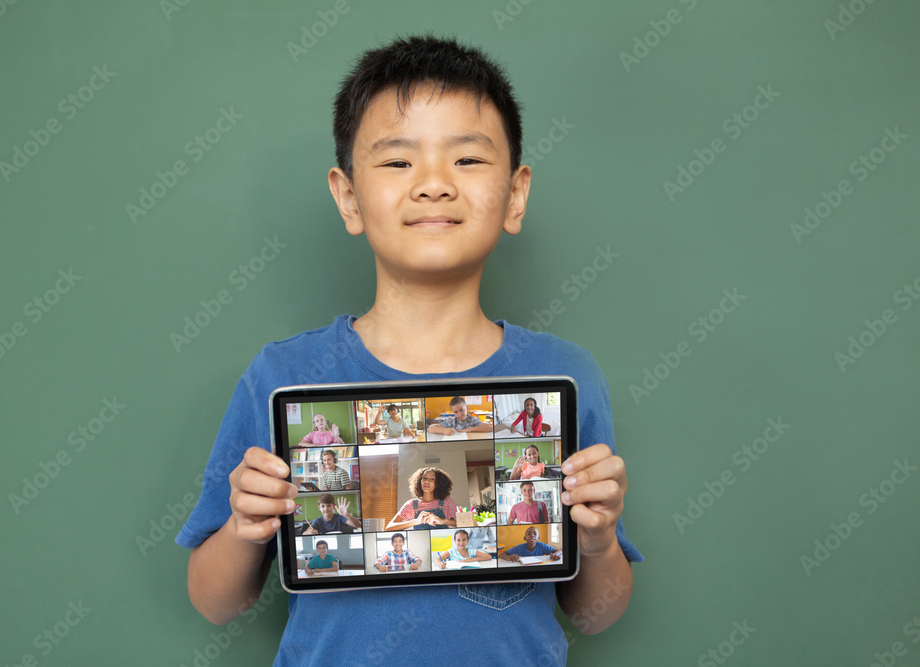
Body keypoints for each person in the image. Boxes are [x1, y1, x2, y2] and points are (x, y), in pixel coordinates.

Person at [177, 34, 643, 665]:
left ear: (515, 195)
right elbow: (215, 604)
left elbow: (599, 612)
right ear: (348, 197)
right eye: (398, 162)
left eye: (468, 161)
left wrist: (599, 539)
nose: (433, 185)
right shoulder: (282, 376)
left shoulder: (563, 378)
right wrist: (243, 526)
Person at [384, 467, 458, 530]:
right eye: (424, 478)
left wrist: (443, 521)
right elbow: (389, 527)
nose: (426, 481)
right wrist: (415, 522)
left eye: (432, 479)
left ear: (439, 483)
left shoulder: (447, 502)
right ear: (419, 481)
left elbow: (465, 523)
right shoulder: (411, 504)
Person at [428, 396, 492, 436]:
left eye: (461, 410)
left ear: (467, 408)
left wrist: (468, 430)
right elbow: (429, 429)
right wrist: (443, 430)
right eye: (456, 412)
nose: (459, 414)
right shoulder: (451, 421)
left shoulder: (473, 420)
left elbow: (490, 428)